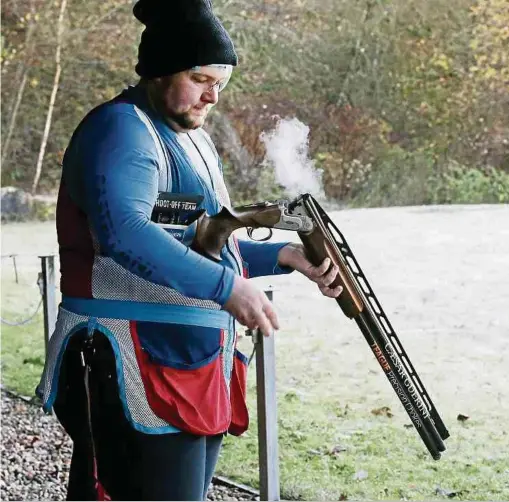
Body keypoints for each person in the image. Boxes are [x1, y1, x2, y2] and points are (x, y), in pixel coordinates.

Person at [36, 0, 342, 500]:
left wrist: (286, 256)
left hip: (184, 363)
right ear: (160, 69)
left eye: (220, 83)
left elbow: (204, 246)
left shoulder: (193, 140)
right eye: (201, 78)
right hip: (129, 358)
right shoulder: (121, 129)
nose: (213, 96)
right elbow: (126, 234)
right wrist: (228, 289)